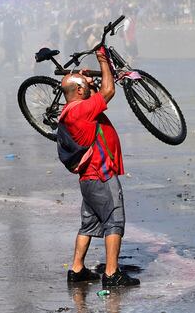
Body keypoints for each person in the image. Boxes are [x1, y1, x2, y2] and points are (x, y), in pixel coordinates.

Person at [59, 48, 139, 288]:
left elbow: (97, 98)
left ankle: (77, 269)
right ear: (79, 91)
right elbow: (109, 91)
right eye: (85, 85)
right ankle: (112, 273)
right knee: (114, 221)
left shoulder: (70, 111)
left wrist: (89, 85)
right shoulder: (80, 111)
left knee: (89, 224)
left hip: (88, 180)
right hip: (102, 176)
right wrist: (103, 59)